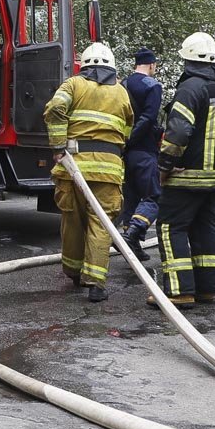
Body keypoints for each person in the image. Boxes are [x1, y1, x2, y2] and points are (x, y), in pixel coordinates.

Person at [147, 33, 215, 308]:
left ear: (187, 59)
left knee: (169, 228)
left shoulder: (190, 89)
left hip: (185, 177)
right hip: (214, 180)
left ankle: (178, 291)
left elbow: (177, 132)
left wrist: (164, 166)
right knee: (205, 230)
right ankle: (207, 288)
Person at [45, 42, 133, 303]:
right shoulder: (121, 92)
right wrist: (116, 148)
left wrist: (58, 146)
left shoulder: (73, 85)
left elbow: (54, 109)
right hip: (108, 167)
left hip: (74, 165)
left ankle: (73, 272)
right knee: (101, 222)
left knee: (72, 219)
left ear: (84, 64)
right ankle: (96, 284)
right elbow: (128, 126)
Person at [118, 48, 163, 262]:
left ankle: (132, 245)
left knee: (132, 196)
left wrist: (124, 143)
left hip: (126, 153)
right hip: (144, 150)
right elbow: (149, 118)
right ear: (152, 64)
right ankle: (133, 232)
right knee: (153, 195)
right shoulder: (153, 86)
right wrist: (133, 138)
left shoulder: (123, 85)